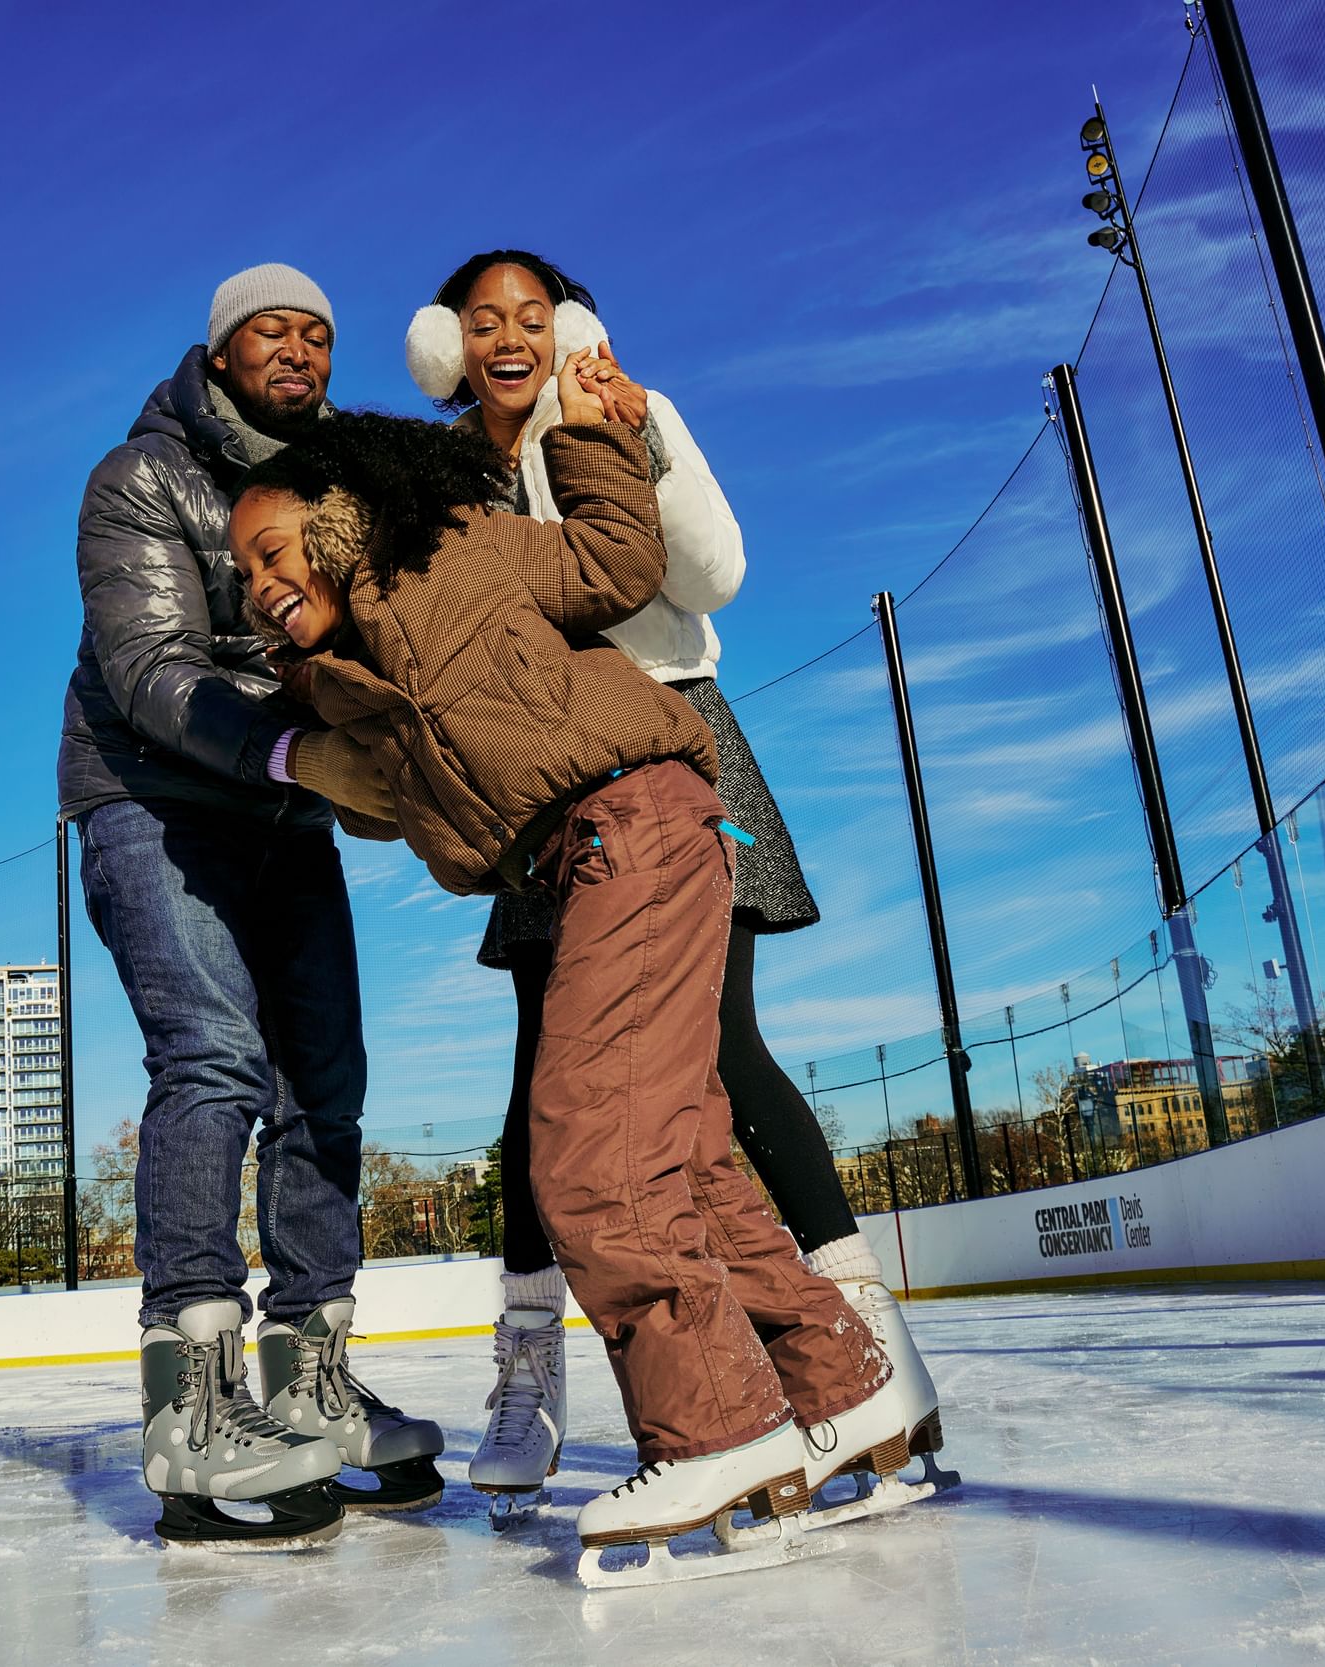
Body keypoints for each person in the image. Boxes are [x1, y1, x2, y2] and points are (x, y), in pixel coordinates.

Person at [227, 382, 906, 1586]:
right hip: (592, 851)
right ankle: (842, 1390)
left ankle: (720, 1430)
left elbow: (613, 559)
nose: (260, 581)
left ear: (334, 519)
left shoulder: (449, 544)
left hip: (633, 820)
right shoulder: (350, 674)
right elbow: (409, 811)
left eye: (271, 550)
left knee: (588, 1146)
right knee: (686, 1147)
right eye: (242, 574)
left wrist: (595, 434)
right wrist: (307, 722)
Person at [401, 250, 950, 1519]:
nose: (508, 337)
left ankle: (864, 1350)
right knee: (549, 1067)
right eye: (482, 321)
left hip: (678, 735)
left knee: (716, 1050)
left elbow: (711, 578)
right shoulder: (439, 480)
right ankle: (528, 1371)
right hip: (548, 778)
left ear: (567, 327)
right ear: (446, 346)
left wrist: (642, 437)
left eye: (530, 316)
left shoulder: (618, 408)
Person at [59, 264, 442, 1551]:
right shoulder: (138, 481)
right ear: (217, 354)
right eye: (272, 328)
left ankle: (312, 1381)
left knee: (325, 1081)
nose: (302, 347)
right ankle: (193, 1403)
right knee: (214, 1056)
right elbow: (154, 668)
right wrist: (294, 754)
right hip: (153, 796)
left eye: (321, 333)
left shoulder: (337, 483)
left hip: (286, 809)